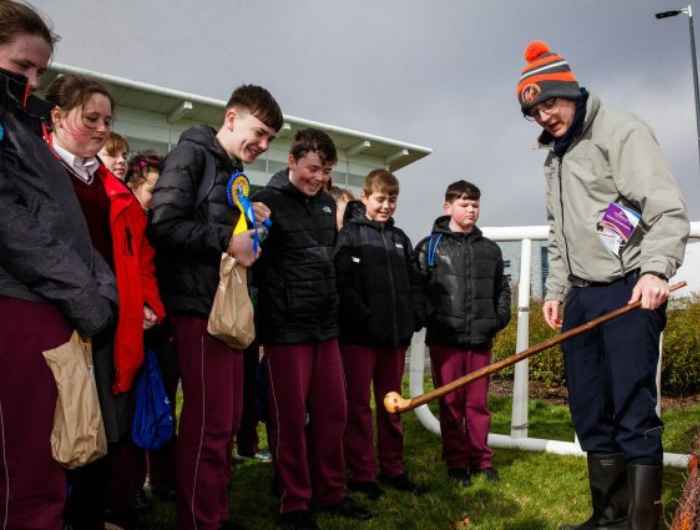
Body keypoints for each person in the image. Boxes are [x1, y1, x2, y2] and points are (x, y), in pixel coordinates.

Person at [516, 41, 689, 530]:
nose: (543, 116)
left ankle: (641, 524)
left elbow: (666, 209)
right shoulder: (554, 155)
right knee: (589, 407)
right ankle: (609, 516)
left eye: (548, 102)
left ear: (569, 90)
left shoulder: (621, 131)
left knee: (632, 406)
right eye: (533, 111)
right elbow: (558, 229)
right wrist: (556, 289)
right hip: (582, 295)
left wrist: (656, 270)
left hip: (630, 286)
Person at [0, 4, 116, 529]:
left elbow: (66, 226)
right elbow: (12, 223)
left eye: (40, 71)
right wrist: (88, 296)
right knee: (23, 470)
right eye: (23, 65)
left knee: (45, 465)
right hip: (20, 305)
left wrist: (100, 287)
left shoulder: (21, 128)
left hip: (52, 305)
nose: (32, 80)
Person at [149, 83, 282, 530]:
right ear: (231, 118)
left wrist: (249, 218)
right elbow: (164, 225)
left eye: (269, 140)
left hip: (225, 309)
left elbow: (217, 228)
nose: (262, 146)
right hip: (195, 309)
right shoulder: (192, 156)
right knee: (208, 424)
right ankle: (199, 519)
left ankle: (214, 512)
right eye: (259, 132)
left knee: (225, 422)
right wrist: (227, 238)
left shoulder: (229, 170)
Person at [44, 73, 166, 530]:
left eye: (107, 120)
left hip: (110, 329)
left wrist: (148, 302)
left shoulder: (115, 191)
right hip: (55, 326)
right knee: (54, 430)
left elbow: (142, 260)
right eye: (89, 118)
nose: (100, 128)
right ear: (56, 117)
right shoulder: (38, 172)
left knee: (104, 431)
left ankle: (91, 517)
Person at [253, 128, 372, 530]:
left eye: (325, 171)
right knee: (288, 419)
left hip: (325, 328)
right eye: (312, 169)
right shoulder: (264, 202)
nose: (318, 178)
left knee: (332, 415)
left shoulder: (326, 206)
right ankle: (295, 502)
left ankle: (332, 492)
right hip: (285, 330)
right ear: (292, 161)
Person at [334, 169, 425, 500]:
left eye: (393, 200)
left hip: (395, 339)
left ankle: (394, 468)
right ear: (365, 198)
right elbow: (343, 284)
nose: (387, 206)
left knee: (393, 406)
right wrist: (365, 318)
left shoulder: (400, 239)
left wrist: (414, 315)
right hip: (360, 339)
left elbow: (415, 282)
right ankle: (361, 472)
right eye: (381, 199)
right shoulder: (349, 235)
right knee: (358, 407)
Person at [415, 180, 511, 487]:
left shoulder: (490, 249)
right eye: (464, 204)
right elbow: (418, 289)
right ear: (448, 207)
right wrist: (434, 318)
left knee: (478, 405)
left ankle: (481, 459)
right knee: (451, 404)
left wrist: (497, 319)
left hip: (480, 340)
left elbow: (502, 289)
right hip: (446, 341)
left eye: (475, 205)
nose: (470, 210)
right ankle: (456, 462)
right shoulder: (430, 247)